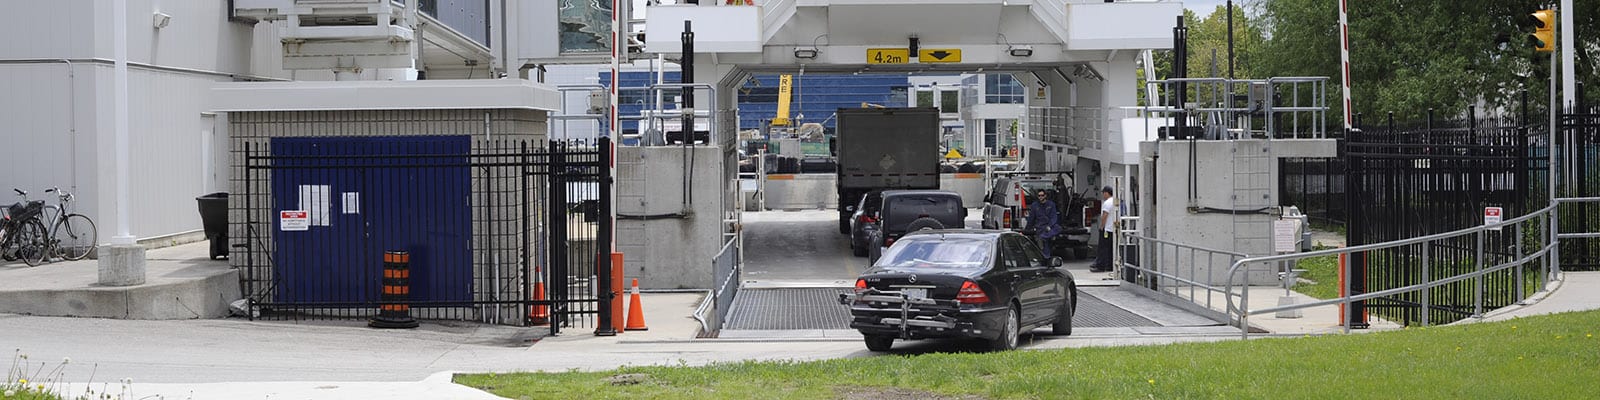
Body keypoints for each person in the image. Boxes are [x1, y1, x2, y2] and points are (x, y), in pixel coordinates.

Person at [1025, 189, 1061, 258]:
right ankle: (1046, 256)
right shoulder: (1035, 205)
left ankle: (1044, 237)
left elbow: (1054, 217)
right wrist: (1027, 230)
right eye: (1039, 196)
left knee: (1058, 228)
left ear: (1045, 196)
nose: (1041, 197)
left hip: (1050, 226)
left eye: (1042, 195)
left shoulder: (1051, 204)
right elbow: (1031, 218)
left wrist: (1049, 226)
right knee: (1043, 241)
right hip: (1040, 226)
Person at [1090, 186, 1117, 273]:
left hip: (1107, 229)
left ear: (1106, 193)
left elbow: (1104, 215)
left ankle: (1100, 266)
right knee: (1111, 248)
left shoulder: (1107, 203)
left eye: (1103, 193)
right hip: (1114, 229)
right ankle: (1110, 266)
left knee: (1103, 248)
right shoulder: (1116, 201)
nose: (1103, 195)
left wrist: (1102, 226)